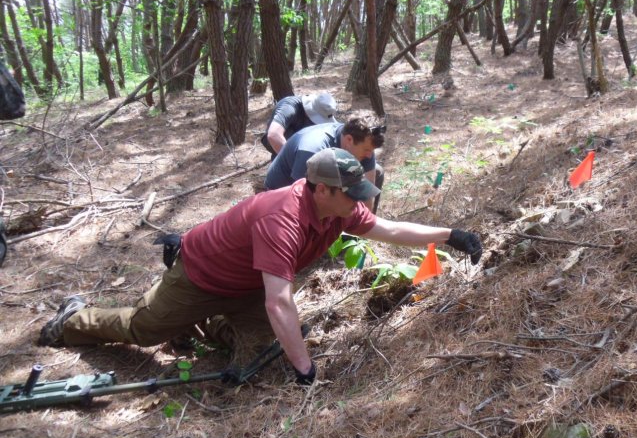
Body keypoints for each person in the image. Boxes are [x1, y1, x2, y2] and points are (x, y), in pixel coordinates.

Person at [38, 148, 482, 386]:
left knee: (261, 350)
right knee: (146, 330)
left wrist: (450, 235)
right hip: (202, 274)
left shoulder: (340, 209)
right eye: (351, 193)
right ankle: (73, 319)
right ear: (321, 190)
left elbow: (387, 229)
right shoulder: (282, 219)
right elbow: (280, 302)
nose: (359, 201)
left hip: (246, 284)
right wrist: (306, 369)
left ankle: (199, 326)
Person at [265, 117, 385, 212]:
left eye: (371, 150)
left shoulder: (363, 144)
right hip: (283, 192)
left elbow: (367, 197)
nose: (370, 155)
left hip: (321, 183)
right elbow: (303, 199)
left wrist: (362, 233)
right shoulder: (313, 150)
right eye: (366, 150)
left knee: (377, 171)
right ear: (349, 140)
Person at [261, 92, 338, 157]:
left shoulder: (325, 111)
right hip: (280, 145)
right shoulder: (288, 107)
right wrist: (293, 162)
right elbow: (274, 135)